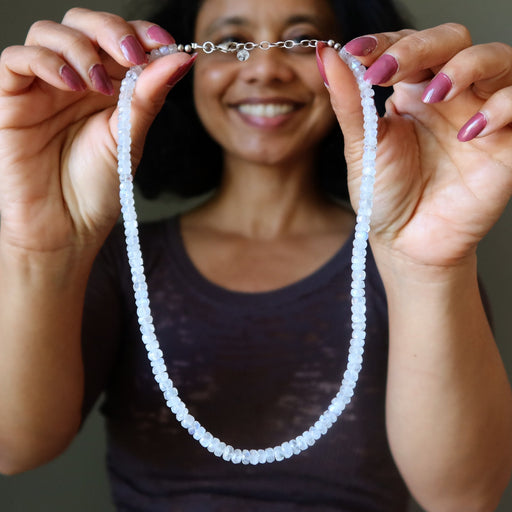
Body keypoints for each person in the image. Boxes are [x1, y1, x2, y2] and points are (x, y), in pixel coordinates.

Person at [0, 0, 512, 510]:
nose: (264, 67)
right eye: (229, 43)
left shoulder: (404, 257)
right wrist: (39, 250)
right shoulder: (119, 260)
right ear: (181, 66)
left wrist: (427, 266)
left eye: (301, 41)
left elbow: (466, 499)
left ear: (351, 67)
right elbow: (12, 449)